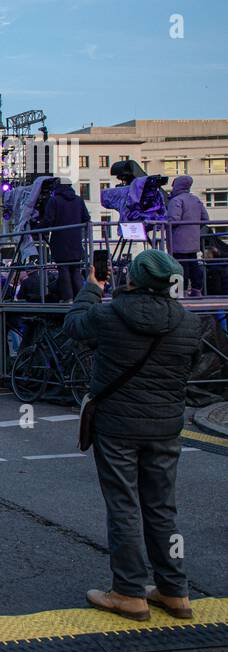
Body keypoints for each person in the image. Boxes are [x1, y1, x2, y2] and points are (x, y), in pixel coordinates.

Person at [62, 249, 201, 622]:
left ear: (133, 278)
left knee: (124, 506)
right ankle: (174, 590)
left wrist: (92, 288)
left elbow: (73, 326)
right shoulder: (188, 322)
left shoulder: (109, 315)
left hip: (117, 426)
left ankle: (128, 591)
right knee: (161, 508)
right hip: (166, 425)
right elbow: (193, 364)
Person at [42, 179, 91, 302]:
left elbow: (48, 220)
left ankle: (67, 298)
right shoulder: (79, 200)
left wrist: (38, 229)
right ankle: (80, 299)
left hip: (60, 241)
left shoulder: (54, 200)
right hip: (76, 241)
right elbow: (86, 218)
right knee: (76, 270)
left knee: (63, 269)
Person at [166, 175, 209, 296]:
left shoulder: (176, 200)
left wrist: (164, 224)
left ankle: (180, 292)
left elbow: (173, 220)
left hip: (177, 242)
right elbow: (205, 219)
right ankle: (196, 290)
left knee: (179, 267)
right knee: (193, 264)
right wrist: (193, 228)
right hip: (193, 241)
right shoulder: (196, 200)